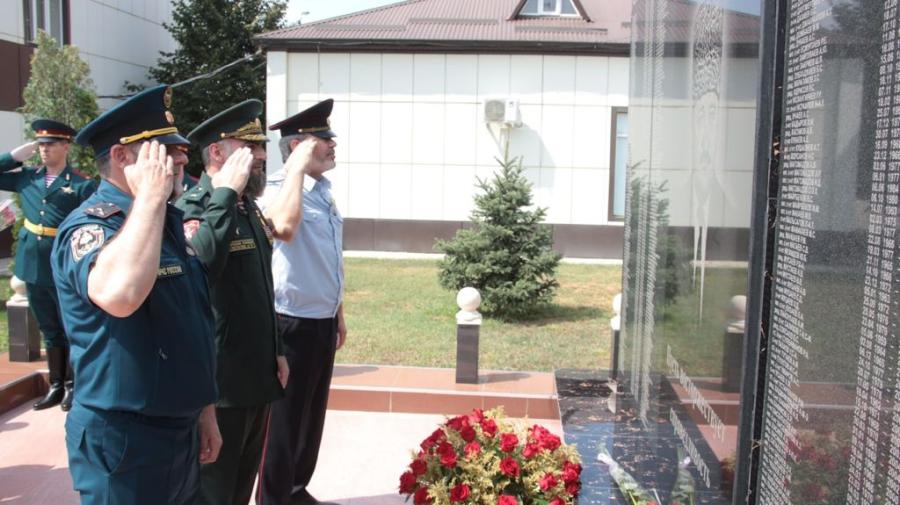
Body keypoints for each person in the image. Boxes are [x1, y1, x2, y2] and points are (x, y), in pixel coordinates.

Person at [51, 85, 221, 505]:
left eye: (177, 149)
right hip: (125, 439)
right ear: (121, 157)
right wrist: (148, 199)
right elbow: (120, 294)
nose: (179, 159)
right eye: (163, 151)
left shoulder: (163, 220)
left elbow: (190, 323)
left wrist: (204, 410)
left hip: (179, 429)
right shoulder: (91, 226)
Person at [174, 99, 289, 505]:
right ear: (217, 152)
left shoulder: (247, 206)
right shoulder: (194, 209)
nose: (261, 156)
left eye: (261, 147)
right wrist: (223, 197)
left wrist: (277, 349)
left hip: (256, 373)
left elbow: (260, 286)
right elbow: (201, 267)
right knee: (215, 490)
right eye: (250, 147)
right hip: (221, 381)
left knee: (241, 487)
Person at [256, 98, 346, 505]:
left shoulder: (323, 192)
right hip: (289, 321)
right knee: (284, 423)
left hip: (321, 319)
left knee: (310, 419)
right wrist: (294, 171)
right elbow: (285, 228)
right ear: (296, 147)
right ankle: (274, 497)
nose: (332, 145)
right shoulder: (276, 190)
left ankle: (295, 489)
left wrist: (338, 312)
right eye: (322, 140)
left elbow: (330, 257)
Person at [0, 119, 95, 411]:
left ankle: (74, 386)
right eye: (40, 145)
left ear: (66, 147)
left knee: (70, 327)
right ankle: (56, 384)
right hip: (32, 265)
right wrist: (13, 156)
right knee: (49, 327)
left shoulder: (80, 183)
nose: (44, 150)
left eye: (50, 144)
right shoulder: (27, 177)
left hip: (63, 266)